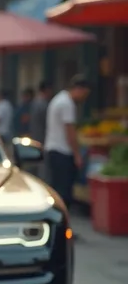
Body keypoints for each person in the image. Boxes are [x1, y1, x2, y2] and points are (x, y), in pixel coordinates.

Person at [44, 74, 90, 214]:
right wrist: (77, 155)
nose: (84, 98)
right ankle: (64, 225)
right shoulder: (67, 104)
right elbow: (70, 133)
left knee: (58, 190)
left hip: (53, 149)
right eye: (85, 94)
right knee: (64, 192)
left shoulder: (59, 99)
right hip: (62, 152)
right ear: (79, 89)